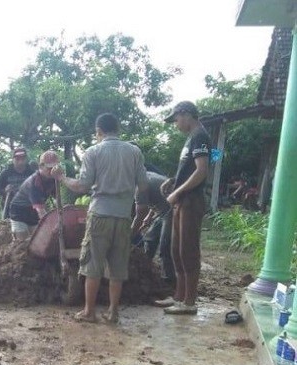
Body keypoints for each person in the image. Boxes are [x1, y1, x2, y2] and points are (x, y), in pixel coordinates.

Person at [52, 113, 147, 324]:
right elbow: (144, 185)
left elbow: (82, 186)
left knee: (92, 264)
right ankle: (113, 312)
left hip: (100, 215)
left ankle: (89, 312)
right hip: (123, 216)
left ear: (98, 132)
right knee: (117, 267)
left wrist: (62, 178)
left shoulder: (93, 152)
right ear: (118, 129)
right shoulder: (134, 151)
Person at [155, 101, 210, 315]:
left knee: (188, 250)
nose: (175, 124)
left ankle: (189, 302)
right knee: (176, 250)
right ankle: (178, 296)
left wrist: (178, 192)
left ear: (186, 114)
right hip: (181, 201)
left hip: (190, 201)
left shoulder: (200, 136)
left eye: (176, 119)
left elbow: (201, 171)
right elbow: (189, 170)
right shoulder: (190, 139)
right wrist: (173, 182)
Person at [131, 171, 175, 282]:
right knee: (150, 238)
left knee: (165, 245)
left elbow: (140, 214)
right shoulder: (146, 175)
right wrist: (149, 216)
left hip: (173, 210)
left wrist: (129, 236)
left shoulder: (139, 185)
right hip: (162, 210)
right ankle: (145, 269)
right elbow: (156, 196)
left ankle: (168, 281)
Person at [8, 150, 59, 240]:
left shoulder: (53, 179)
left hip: (32, 213)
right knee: (22, 242)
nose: (52, 171)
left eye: (54, 168)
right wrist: (51, 226)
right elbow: (40, 211)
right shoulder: (34, 182)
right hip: (19, 212)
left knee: (37, 240)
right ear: (41, 166)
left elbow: (57, 199)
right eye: (49, 168)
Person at [0, 148, 35, 219]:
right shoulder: (6, 173)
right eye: (17, 159)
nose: (20, 162)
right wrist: (5, 190)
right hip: (10, 207)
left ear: (26, 159)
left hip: (28, 208)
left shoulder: (31, 172)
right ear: (13, 159)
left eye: (22, 159)